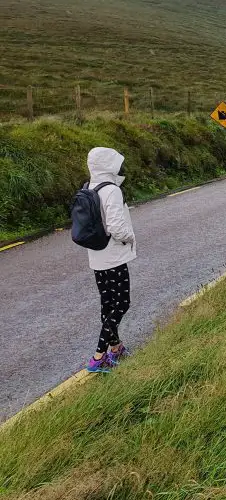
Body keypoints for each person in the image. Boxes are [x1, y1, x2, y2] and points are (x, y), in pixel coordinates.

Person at [83, 147, 136, 373]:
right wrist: (129, 237)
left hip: (96, 256)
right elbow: (116, 226)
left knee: (108, 305)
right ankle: (98, 356)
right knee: (122, 303)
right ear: (109, 165)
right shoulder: (111, 190)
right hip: (114, 256)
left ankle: (116, 348)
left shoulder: (89, 187)